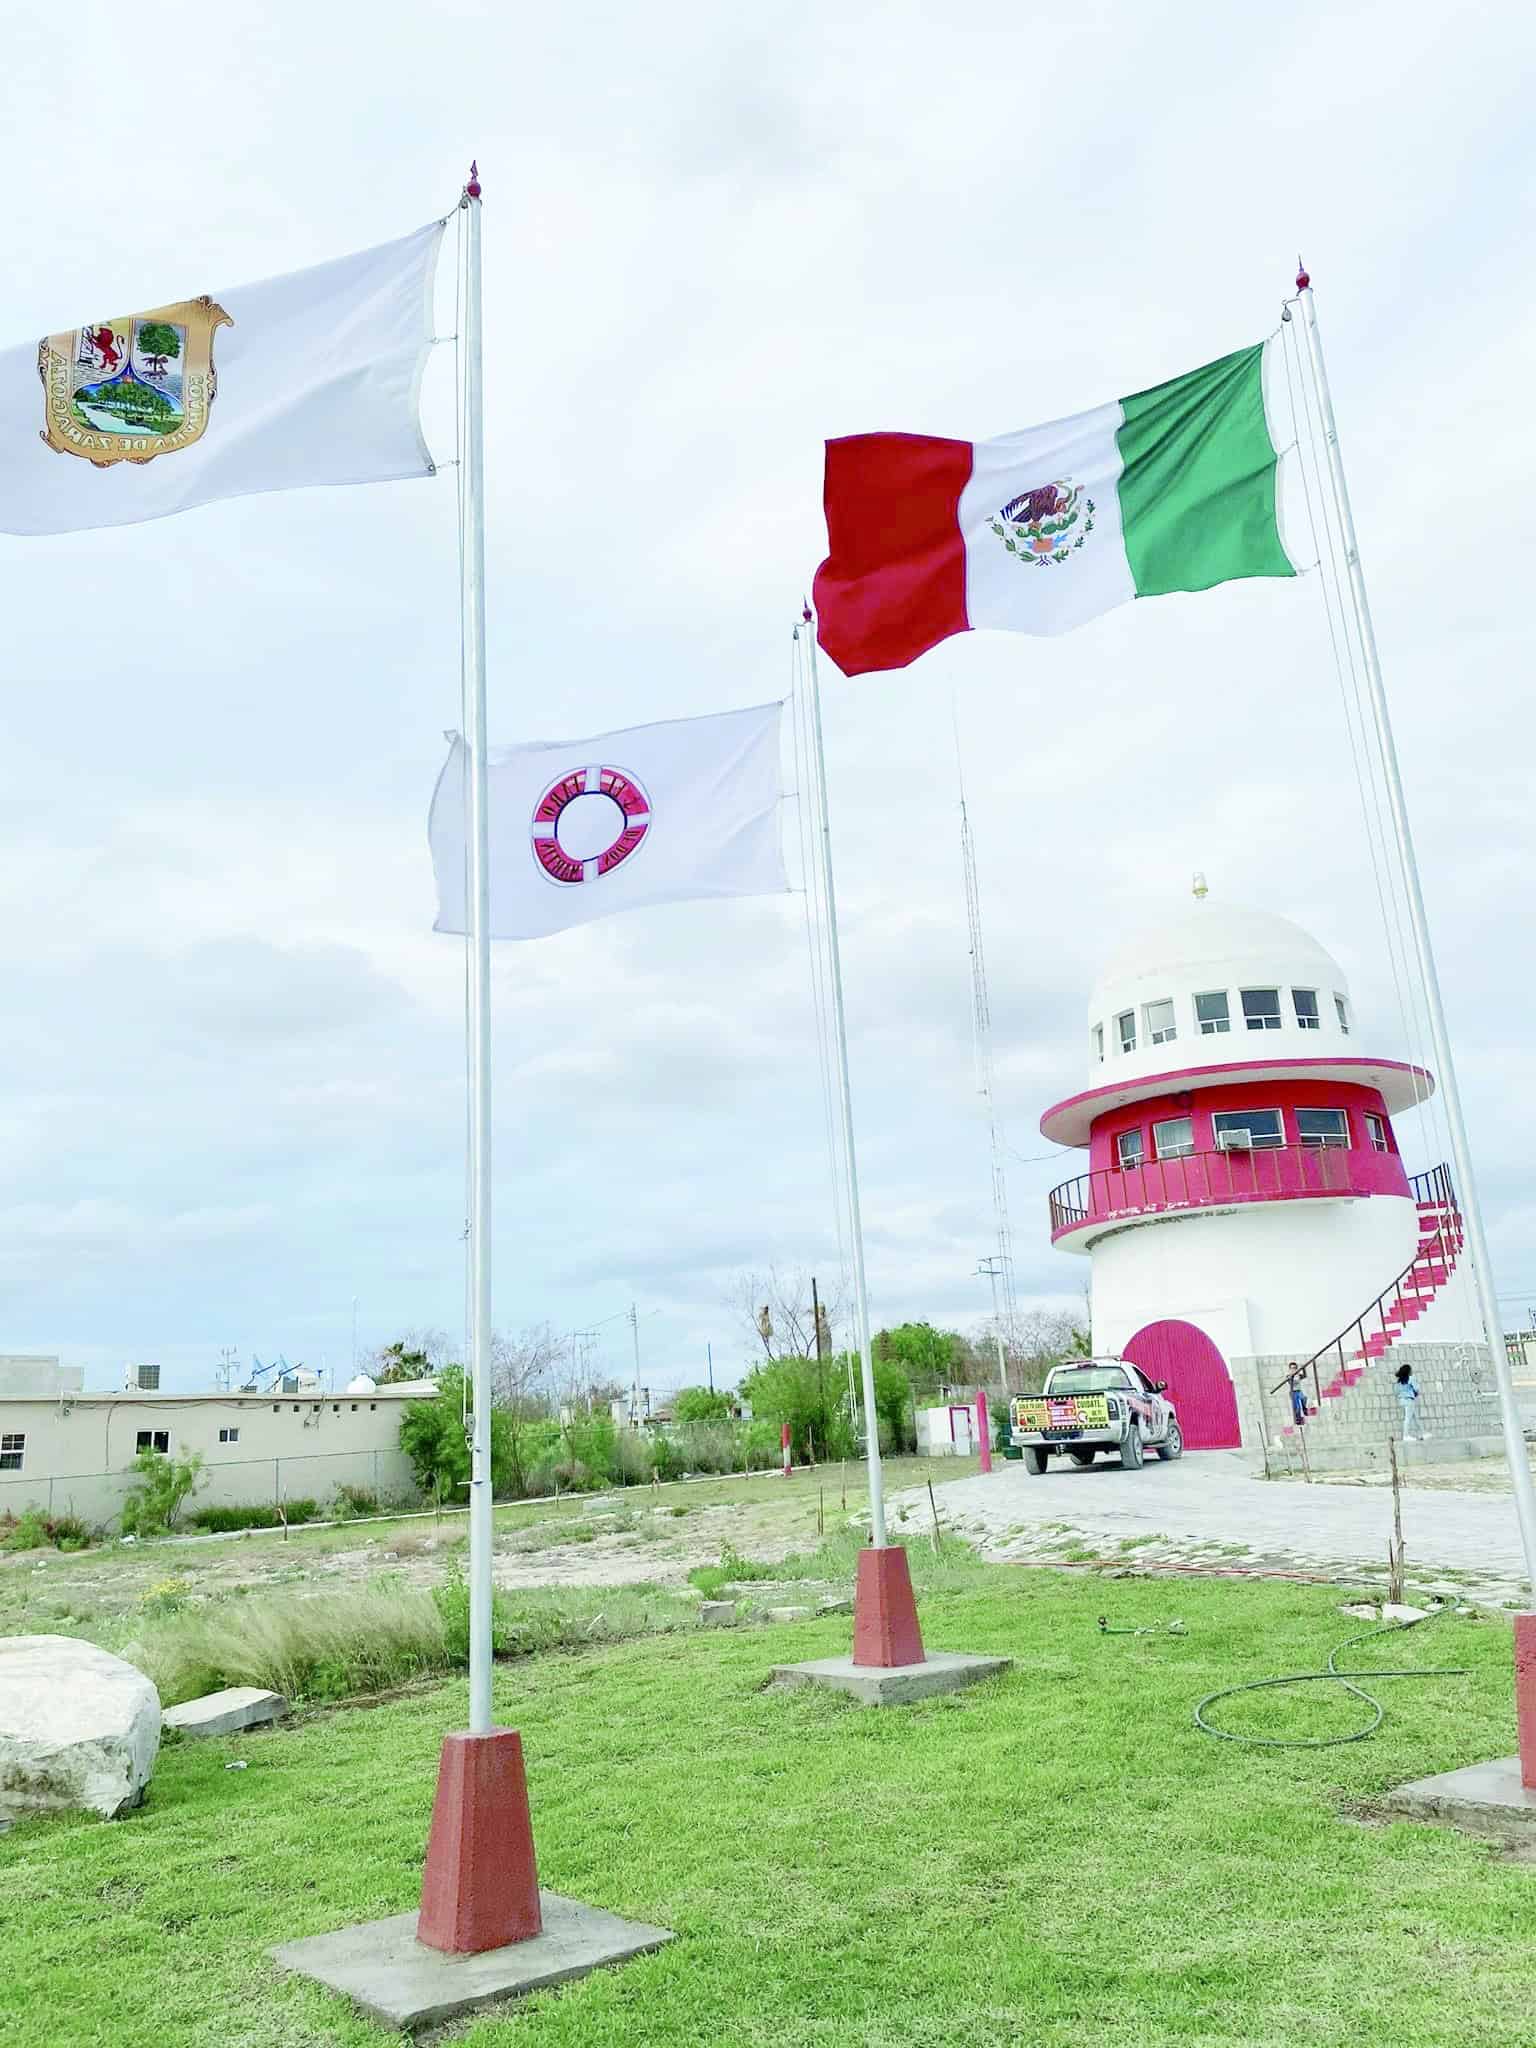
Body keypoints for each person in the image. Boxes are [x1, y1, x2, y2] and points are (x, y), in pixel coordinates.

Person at [1395, 1361, 1426, 1442]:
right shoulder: (1411, 1378)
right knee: (1408, 1418)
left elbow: (1396, 1391)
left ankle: (1422, 1433)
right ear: (1408, 1371)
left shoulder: (1399, 1381)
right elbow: (1416, 1389)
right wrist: (1415, 1393)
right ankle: (1406, 1436)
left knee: (1416, 1417)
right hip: (1409, 1400)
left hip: (1402, 1400)